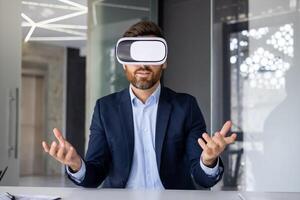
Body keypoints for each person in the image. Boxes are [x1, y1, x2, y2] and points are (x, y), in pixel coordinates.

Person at [42, 21, 236, 189]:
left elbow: (202, 177)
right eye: (135, 56)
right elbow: (94, 175)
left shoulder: (185, 106)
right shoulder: (105, 109)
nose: (143, 64)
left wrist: (209, 161)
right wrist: (77, 165)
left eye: (152, 54)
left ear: (164, 62)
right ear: (124, 63)